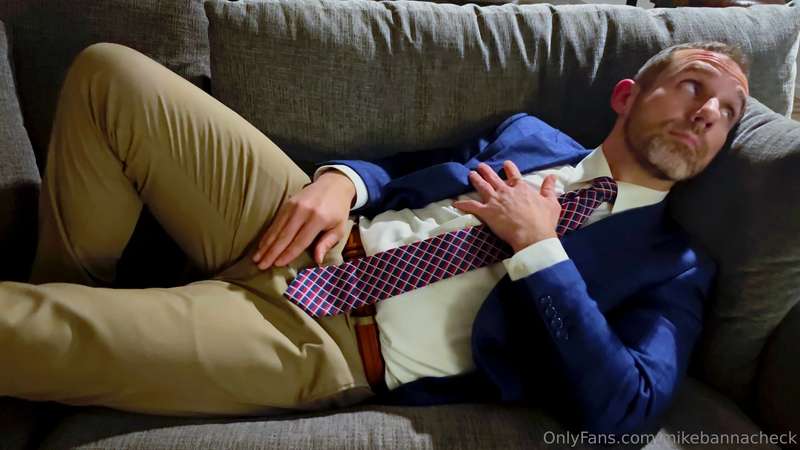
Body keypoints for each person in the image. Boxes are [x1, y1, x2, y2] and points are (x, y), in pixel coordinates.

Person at [0, 40, 748, 435]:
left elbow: (625, 412)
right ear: (628, 96)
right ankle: (75, 314)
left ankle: (67, 345)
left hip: (321, 340)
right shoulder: (532, 136)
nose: (707, 112)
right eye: (694, 83)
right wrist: (344, 181)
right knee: (109, 76)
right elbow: (409, 166)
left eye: (729, 112)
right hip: (295, 224)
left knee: (15, 330)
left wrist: (539, 251)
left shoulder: (675, 267)